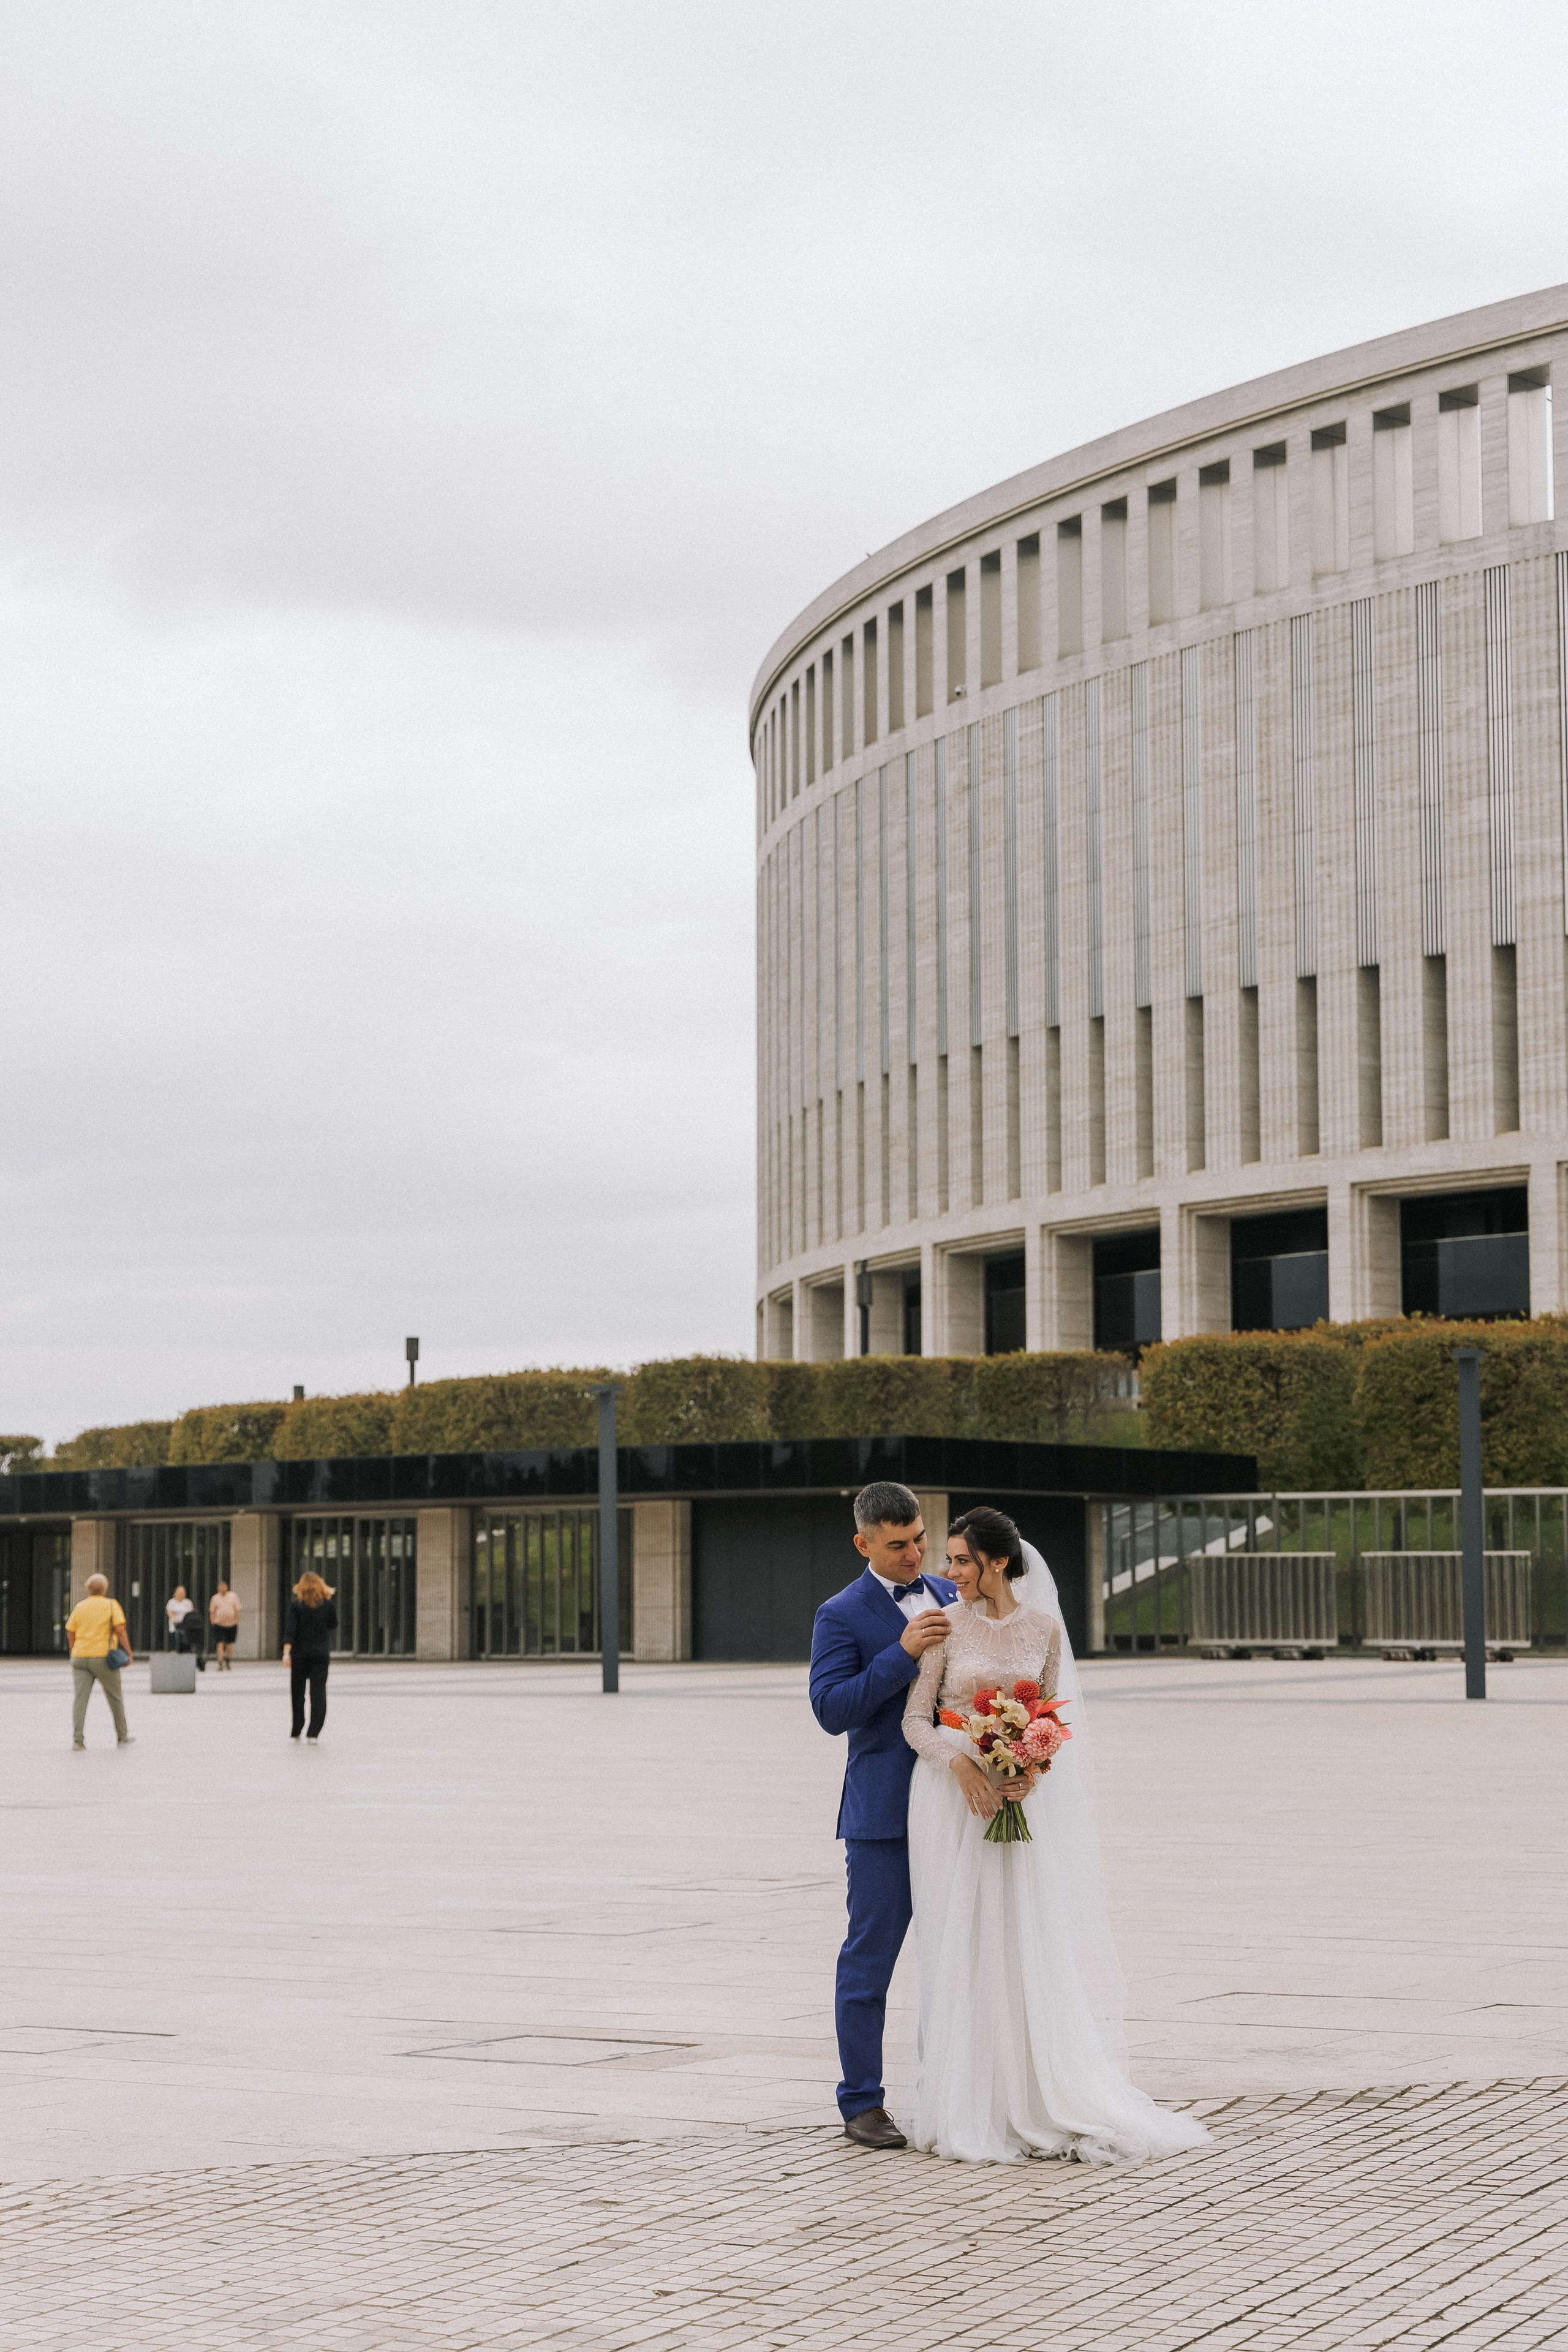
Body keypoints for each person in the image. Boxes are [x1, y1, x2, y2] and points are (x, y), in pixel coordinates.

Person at [899, 1504, 1208, 2166]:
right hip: (951, 1799)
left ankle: (1036, 2091)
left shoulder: (1045, 1630)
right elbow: (915, 1720)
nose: (948, 1571)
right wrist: (960, 1763)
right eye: (948, 1559)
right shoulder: (943, 1626)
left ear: (998, 1563)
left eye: (960, 1560)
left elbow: (1048, 1723)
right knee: (960, 1940)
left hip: (1012, 1797)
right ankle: (968, 2099)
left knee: (1020, 1936)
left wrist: (1029, 1771)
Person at [807, 1480, 959, 2150]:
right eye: (897, 1545)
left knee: (967, 1957)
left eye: (920, 1539)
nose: (915, 1554)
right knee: (868, 1961)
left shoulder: (956, 1595)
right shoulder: (839, 1613)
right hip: (884, 1819)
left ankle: (968, 2092)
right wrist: (900, 1655)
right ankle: (862, 2104)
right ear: (862, 1543)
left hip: (962, 1811)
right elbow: (831, 1710)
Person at [64, 1573, 135, 1749]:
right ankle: (122, 1736)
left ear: (88, 1589)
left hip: (80, 1658)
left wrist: (74, 1652)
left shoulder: (80, 1607)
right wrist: (129, 1653)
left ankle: (78, 1740)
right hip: (103, 1658)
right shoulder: (111, 1605)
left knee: (80, 1699)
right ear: (105, 1589)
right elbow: (120, 1630)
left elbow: (70, 1632)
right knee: (115, 1697)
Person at [281, 1570, 337, 1741]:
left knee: (298, 1692)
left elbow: (290, 1631)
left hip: (300, 1655)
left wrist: (286, 1654)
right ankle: (314, 1732)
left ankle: (297, 1728)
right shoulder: (328, 1605)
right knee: (319, 1692)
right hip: (320, 1654)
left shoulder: (295, 1606)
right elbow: (333, 1624)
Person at [165, 1583, 205, 1670]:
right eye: (179, 1592)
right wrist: (174, 1619)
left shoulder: (188, 1602)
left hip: (186, 1627)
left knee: (187, 1645)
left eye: (182, 1592)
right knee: (174, 1645)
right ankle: (174, 1664)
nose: (180, 1594)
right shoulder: (171, 1602)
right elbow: (169, 1612)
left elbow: (191, 1613)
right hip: (175, 1627)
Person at [209, 1580, 241, 1669]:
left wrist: (237, 1620)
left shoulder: (233, 1596)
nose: (222, 1589)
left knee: (229, 1644)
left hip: (231, 1624)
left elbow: (237, 1609)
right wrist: (213, 1621)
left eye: (224, 1587)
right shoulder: (215, 1598)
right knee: (220, 1643)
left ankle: (228, 1660)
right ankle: (220, 1662)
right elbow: (212, 1611)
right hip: (219, 1624)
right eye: (220, 1587)